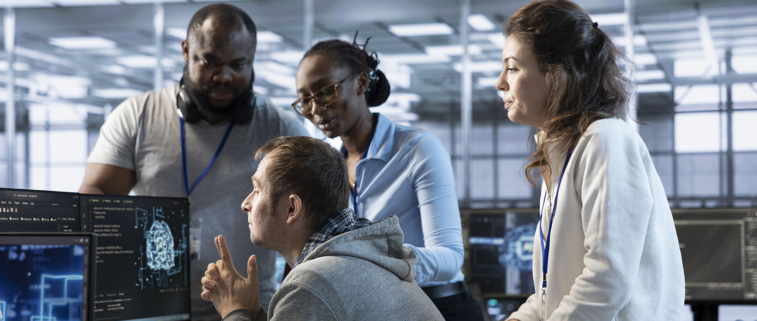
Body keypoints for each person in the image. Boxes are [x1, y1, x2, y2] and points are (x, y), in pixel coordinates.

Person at [79, 3, 307, 319]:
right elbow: (96, 198)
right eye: (209, 62)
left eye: (238, 65)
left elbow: (308, 225)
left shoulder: (282, 128)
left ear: (252, 59)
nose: (224, 76)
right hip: (152, 309)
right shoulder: (138, 116)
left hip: (248, 311)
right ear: (186, 51)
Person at [494, 1, 685, 320]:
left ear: (556, 73)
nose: (500, 82)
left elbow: (606, 280)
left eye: (512, 68)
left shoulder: (605, 140)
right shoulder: (562, 150)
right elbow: (550, 293)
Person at [288, 35, 483, 320]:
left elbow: (450, 259)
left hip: (441, 308)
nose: (315, 108)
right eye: (305, 100)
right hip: (379, 310)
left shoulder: (417, 148)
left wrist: (370, 257)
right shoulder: (328, 167)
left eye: (325, 92)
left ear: (361, 83)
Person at [199, 136, 444, 320]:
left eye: (257, 190)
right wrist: (252, 312)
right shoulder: (365, 257)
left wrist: (233, 310)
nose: (245, 204)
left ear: (292, 209)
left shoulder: (311, 285)